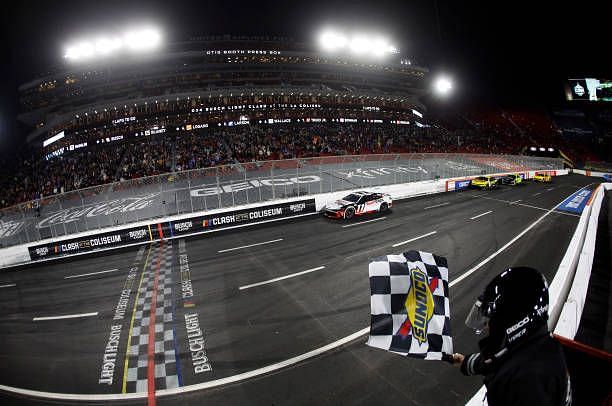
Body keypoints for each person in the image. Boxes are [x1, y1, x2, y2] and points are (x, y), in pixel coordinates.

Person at [451, 267, 572, 405]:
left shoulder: (528, 384)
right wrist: (466, 362)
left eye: (492, 320)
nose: (487, 326)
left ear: (512, 322)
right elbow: (500, 358)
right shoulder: (536, 344)